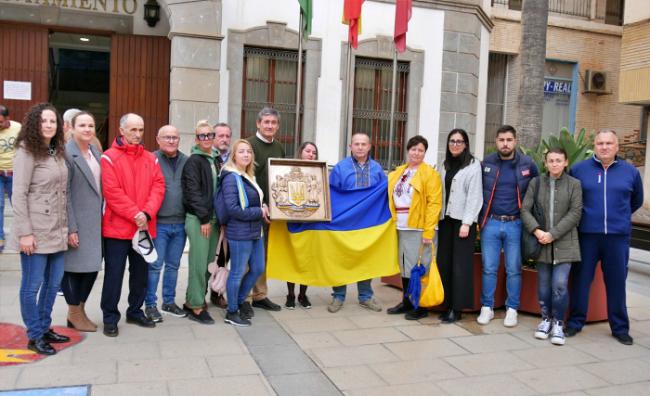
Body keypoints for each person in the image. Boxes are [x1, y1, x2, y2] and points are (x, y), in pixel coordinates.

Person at [566, 130, 644, 345]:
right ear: (595, 146)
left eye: (609, 143)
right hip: (587, 235)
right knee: (581, 281)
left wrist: (620, 217)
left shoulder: (630, 172)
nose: (605, 147)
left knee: (617, 283)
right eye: (600, 143)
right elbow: (571, 199)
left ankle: (620, 328)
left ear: (617, 147)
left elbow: (636, 200)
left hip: (617, 238)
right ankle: (575, 322)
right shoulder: (580, 169)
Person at [100, 113, 165, 337]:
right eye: (133, 130)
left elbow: (159, 187)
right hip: (117, 229)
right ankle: (110, 317)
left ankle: (135, 311)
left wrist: (146, 213)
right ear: (121, 131)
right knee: (114, 275)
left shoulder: (151, 158)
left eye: (140, 130)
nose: (137, 135)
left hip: (143, 227)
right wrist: (136, 214)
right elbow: (112, 192)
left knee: (140, 275)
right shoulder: (108, 158)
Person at [12, 103, 69, 355]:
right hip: (35, 231)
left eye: (52, 121)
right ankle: (34, 335)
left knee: (53, 283)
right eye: (43, 121)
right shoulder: (27, 150)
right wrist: (25, 233)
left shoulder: (56, 149)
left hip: (57, 229)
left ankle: (45, 327)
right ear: (34, 124)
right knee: (32, 285)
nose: (48, 125)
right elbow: (19, 193)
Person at [478, 125, 538, 327]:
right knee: (489, 268)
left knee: (514, 268)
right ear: (496, 141)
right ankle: (487, 307)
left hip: (515, 223)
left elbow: (538, 189)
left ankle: (512, 309)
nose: (505, 143)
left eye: (509, 140)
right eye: (501, 139)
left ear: (515, 141)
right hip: (491, 223)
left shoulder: (528, 164)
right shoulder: (487, 163)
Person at [521, 147, 582, 346]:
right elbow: (525, 210)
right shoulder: (536, 182)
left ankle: (558, 323)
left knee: (560, 285)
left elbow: (575, 213)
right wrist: (538, 231)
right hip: (541, 244)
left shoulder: (574, 184)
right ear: (545, 163)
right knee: (544, 286)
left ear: (566, 162)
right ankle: (545, 319)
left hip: (565, 243)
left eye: (558, 160)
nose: (554, 164)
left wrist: (552, 234)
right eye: (551, 160)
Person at [328, 132, 385, 313]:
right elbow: (332, 194)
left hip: (368, 223)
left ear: (369, 147)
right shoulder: (340, 168)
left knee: (366, 259)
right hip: (344, 222)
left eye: (363, 144)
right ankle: (338, 296)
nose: (360, 147)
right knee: (340, 258)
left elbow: (383, 196)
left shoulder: (377, 169)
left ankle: (365, 297)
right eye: (356, 144)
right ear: (350, 146)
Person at [387, 135, 442, 320]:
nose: (416, 153)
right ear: (408, 150)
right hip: (401, 226)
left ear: (424, 153)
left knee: (420, 267)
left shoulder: (430, 174)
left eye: (420, 150)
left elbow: (434, 204)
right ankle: (407, 301)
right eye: (413, 149)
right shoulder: (399, 172)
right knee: (405, 266)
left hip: (420, 228)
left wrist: (429, 230)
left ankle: (421, 305)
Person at [62, 111, 103, 332]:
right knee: (73, 269)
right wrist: (71, 227)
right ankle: (74, 312)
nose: (87, 129)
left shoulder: (94, 151)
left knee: (91, 268)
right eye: (82, 125)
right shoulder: (67, 154)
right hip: (77, 221)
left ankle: (80, 309)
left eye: (91, 125)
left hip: (95, 222)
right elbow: (64, 193)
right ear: (72, 128)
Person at [220, 139, 268, 326]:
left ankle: (239, 301)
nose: (246, 155)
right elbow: (233, 209)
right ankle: (231, 312)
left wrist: (262, 206)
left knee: (257, 268)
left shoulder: (248, 176)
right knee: (237, 272)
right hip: (239, 232)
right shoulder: (231, 176)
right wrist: (260, 212)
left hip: (254, 230)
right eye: (241, 152)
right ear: (234, 155)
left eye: (248, 151)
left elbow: (253, 200)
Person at [436, 129, 483, 323]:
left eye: (459, 141)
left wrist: (467, 222)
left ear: (465, 144)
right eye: (452, 141)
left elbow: (474, 196)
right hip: (445, 221)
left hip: (463, 223)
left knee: (460, 266)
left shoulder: (473, 165)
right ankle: (446, 304)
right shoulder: (444, 164)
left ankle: (457, 308)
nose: (455, 144)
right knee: (445, 263)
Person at [144, 125, 188, 323]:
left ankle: (168, 301)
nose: (171, 141)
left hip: (180, 223)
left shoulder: (186, 161)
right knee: (155, 266)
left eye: (175, 137)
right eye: (167, 137)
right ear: (158, 139)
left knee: (173, 265)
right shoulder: (150, 159)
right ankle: (150, 305)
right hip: (158, 224)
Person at [246, 107, 285, 312]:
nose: (270, 126)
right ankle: (245, 298)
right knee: (246, 256)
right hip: (251, 211)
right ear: (258, 123)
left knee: (263, 255)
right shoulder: (248, 145)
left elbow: (281, 179)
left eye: (273, 123)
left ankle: (260, 295)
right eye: (266, 122)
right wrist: (260, 205)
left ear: (277, 126)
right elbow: (245, 178)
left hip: (272, 213)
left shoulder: (279, 147)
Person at [181, 120, 219, 324]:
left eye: (209, 135)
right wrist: (204, 218)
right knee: (197, 264)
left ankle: (194, 298)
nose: (206, 138)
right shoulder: (193, 161)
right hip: (199, 220)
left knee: (206, 264)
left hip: (212, 220)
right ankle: (195, 305)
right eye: (202, 135)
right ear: (197, 139)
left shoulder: (215, 159)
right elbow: (192, 193)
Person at [285, 141, 319, 310]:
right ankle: (290, 295)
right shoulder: (288, 171)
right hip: (292, 221)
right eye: (308, 151)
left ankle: (303, 295)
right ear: (300, 152)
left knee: (307, 260)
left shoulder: (319, 173)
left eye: (314, 152)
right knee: (292, 259)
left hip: (311, 222)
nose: (311, 154)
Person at [210, 122, 232, 309]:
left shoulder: (235, 160)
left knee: (223, 257)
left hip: (228, 218)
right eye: (220, 135)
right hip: (210, 217)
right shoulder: (207, 158)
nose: (224, 139)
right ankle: (199, 293)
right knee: (208, 257)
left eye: (227, 136)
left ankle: (217, 293)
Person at [0, 105, 20, 253]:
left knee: (19, 206)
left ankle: (22, 236)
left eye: (0, 121)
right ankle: (0, 239)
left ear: (7, 119)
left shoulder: (17, 128)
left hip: (15, 174)